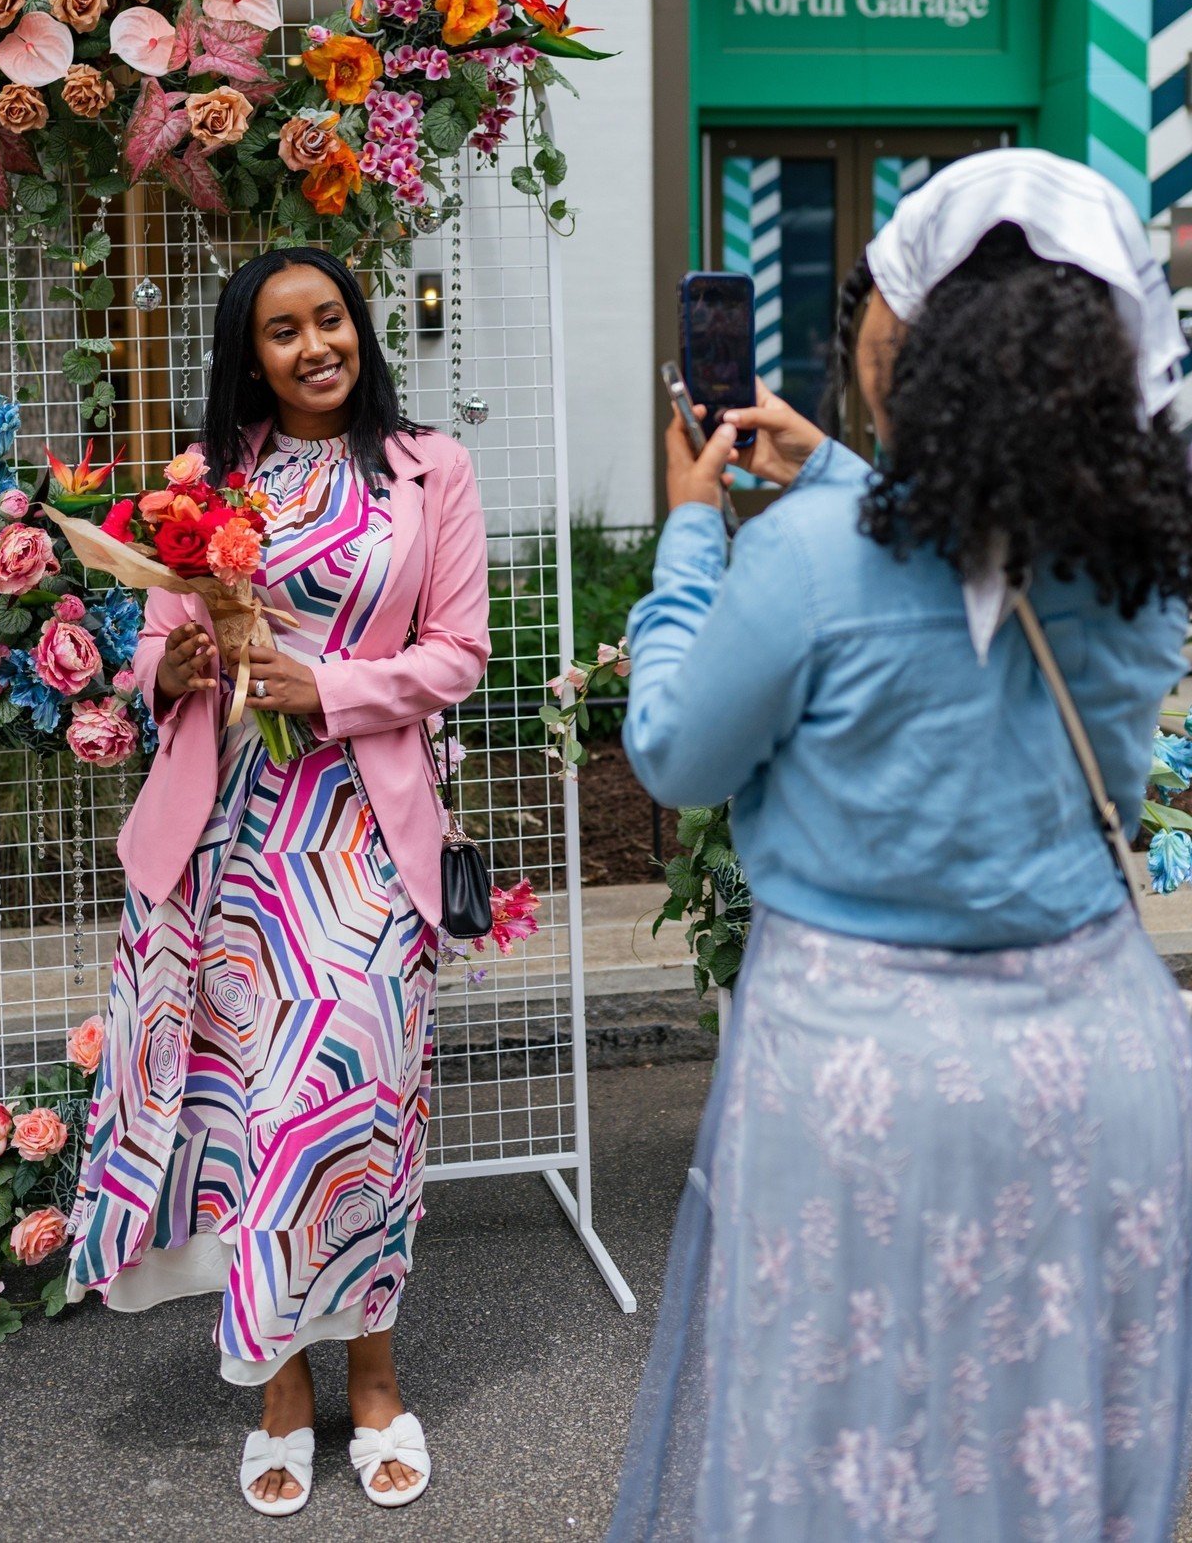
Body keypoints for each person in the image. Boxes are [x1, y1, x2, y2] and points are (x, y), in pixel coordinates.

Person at [609, 150, 1192, 1541]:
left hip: (857, 1076)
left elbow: (678, 751)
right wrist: (848, 472)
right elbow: (977, 563)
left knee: (849, 1441)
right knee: (1047, 1427)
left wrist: (694, 539)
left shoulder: (807, 563)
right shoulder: (1139, 562)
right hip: (1092, 1058)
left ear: (904, 342)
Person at [64, 246, 490, 1516]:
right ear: (248, 355)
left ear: (360, 329)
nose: (317, 346)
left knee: (354, 1096)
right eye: (284, 330)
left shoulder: (433, 467)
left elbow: (458, 648)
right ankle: (281, 1389)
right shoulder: (210, 478)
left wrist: (338, 687)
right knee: (259, 1114)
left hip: (364, 830)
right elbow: (152, 641)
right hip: (233, 837)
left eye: (332, 320)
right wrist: (172, 670)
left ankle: (374, 1371)